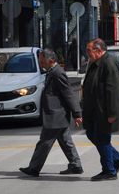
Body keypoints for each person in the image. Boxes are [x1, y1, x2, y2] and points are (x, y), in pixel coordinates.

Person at [19, 48, 84, 177]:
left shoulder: (57, 73)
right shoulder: (52, 71)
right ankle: (76, 165)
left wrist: (77, 114)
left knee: (44, 142)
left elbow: (68, 94)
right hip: (57, 115)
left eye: (43, 62)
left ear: (51, 60)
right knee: (66, 141)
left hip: (56, 114)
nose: (41, 64)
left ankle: (34, 168)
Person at [82, 38, 119, 181]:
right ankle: (117, 159)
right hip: (94, 110)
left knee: (102, 139)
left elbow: (113, 90)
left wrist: (112, 113)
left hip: (104, 110)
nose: (87, 53)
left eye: (89, 50)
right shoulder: (94, 62)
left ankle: (109, 170)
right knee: (92, 134)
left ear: (98, 50)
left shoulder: (108, 63)